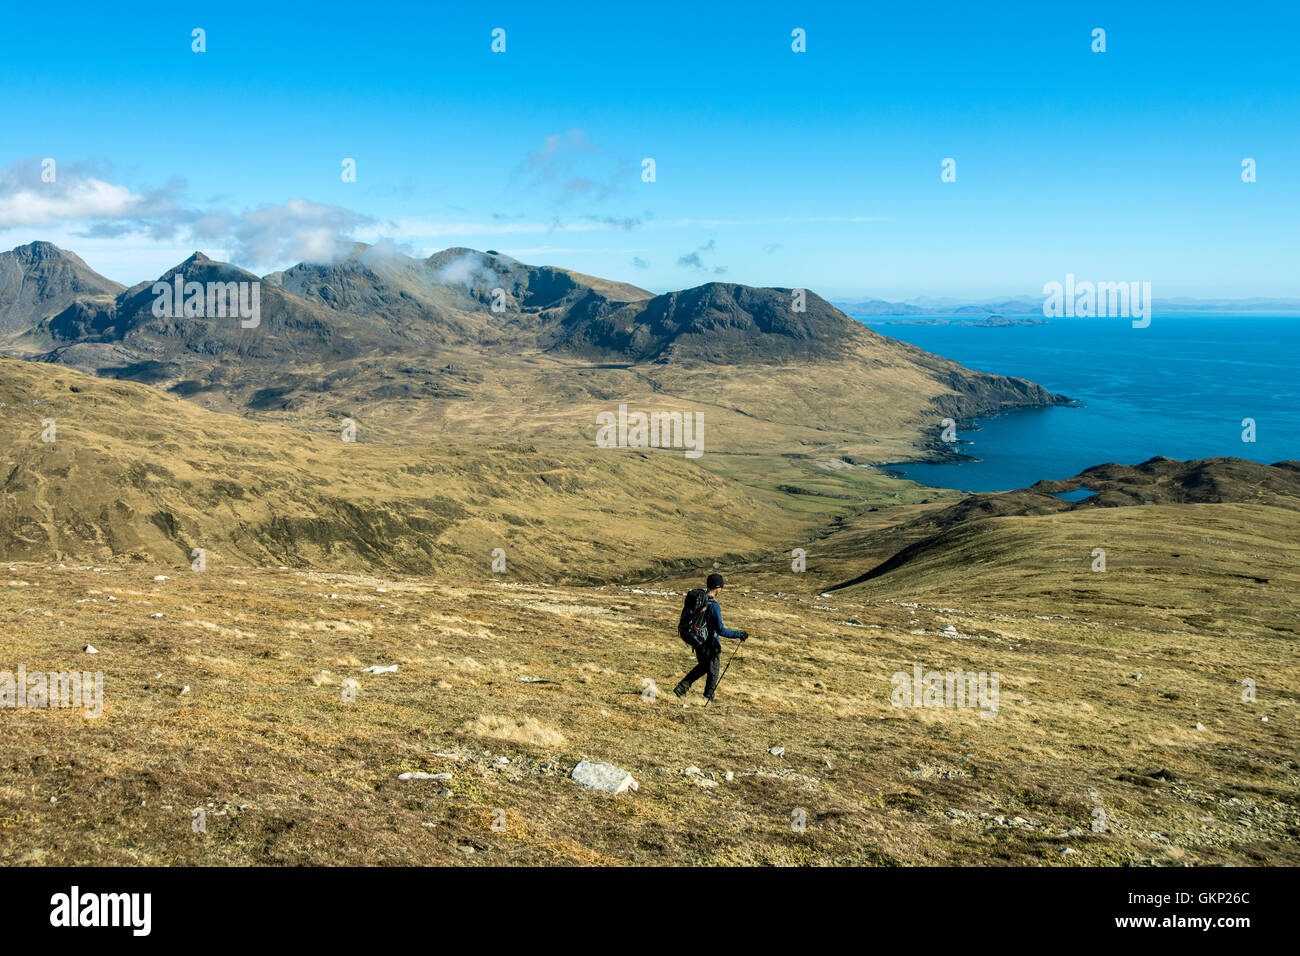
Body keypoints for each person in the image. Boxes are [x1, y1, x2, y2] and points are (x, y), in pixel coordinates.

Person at [674, 572, 748, 702]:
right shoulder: (713, 606)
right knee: (713, 670)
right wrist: (739, 634)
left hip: (697, 639)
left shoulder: (698, 598)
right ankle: (708, 698)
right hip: (709, 642)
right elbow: (721, 630)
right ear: (718, 588)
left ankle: (682, 688)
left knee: (703, 666)